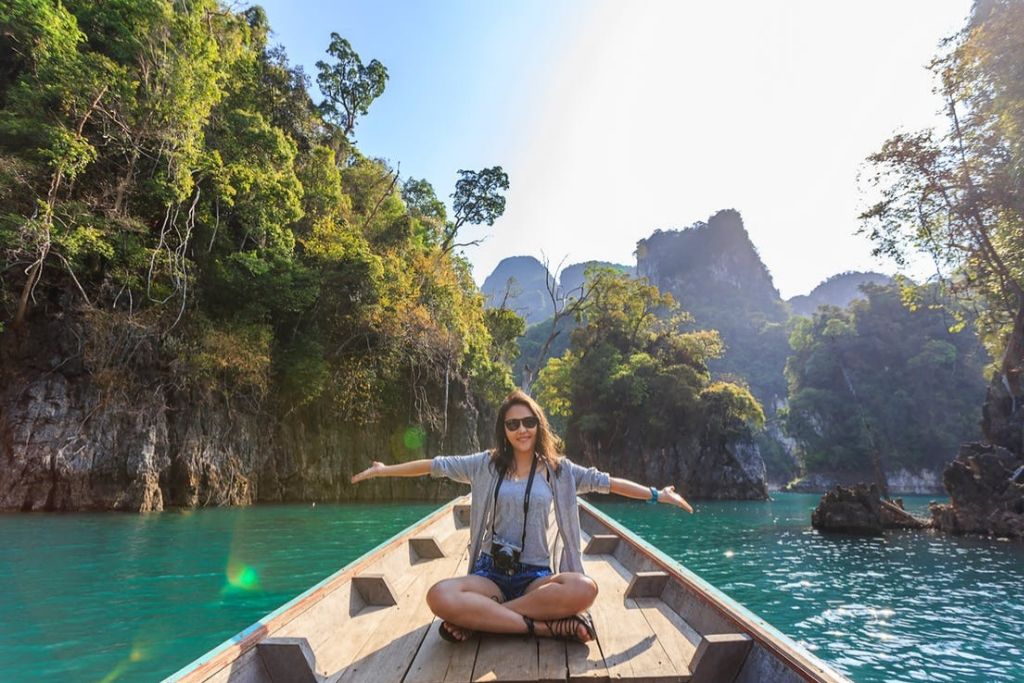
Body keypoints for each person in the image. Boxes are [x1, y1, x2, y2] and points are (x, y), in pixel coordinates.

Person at [350, 389, 693, 644]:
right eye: (513, 424)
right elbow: (433, 465)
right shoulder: (485, 464)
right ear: (504, 429)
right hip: (491, 573)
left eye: (528, 422)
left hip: (535, 576)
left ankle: (483, 619)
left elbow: (608, 483)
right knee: (439, 595)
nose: (522, 429)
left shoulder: (561, 472)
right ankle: (541, 626)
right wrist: (383, 470)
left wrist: (656, 495)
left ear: (538, 425)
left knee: (583, 588)